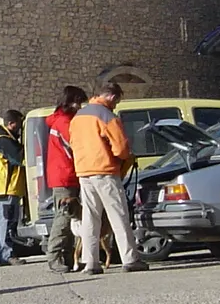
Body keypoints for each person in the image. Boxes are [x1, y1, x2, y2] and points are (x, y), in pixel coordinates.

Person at [69, 80, 149, 273]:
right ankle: (130, 259)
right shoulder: (107, 116)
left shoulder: (78, 117)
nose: (116, 105)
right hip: (105, 171)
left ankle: (90, 262)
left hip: (84, 172)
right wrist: (125, 158)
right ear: (112, 96)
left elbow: (72, 143)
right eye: (117, 101)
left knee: (90, 218)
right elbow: (121, 148)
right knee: (118, 214)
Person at [44, 85, 88, 273]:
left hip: (65, 174)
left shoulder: (61, 120)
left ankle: (69, 257)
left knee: (69, 218)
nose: (81, 106)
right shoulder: (64, 123)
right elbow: (77, 144)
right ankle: (54, 256)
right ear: (71, 102)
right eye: (79, 102)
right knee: (64, 217)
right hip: (65, 176)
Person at [0, 109, 26, 267]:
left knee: (0, 221)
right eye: (19, 124)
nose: (20, 128)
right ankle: (6, 254)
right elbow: (19, 157)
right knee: (7, 221)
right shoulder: (4, 140)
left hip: (1, 186)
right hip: (6, 186)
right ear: (11, 124)